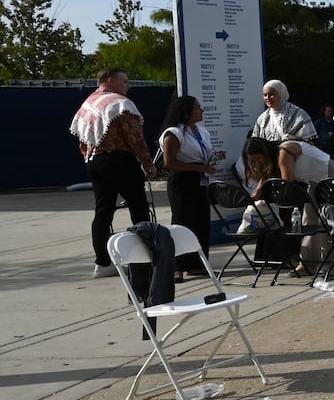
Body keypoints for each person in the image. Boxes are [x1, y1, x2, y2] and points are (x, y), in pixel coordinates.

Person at [70, 68, 156, 278]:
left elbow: (82, 137)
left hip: (96, 160)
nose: (129, 86)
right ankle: (145, 257)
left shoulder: (90, 103)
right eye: (125, 81)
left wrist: (90, 157)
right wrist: (149, 163)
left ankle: (103, 262)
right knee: (139, 208)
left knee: (103, 212)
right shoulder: (120, 104)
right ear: (111, 81)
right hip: (119, 160)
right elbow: (135, 137)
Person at [158, 95, 222, 279]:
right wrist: (198, 167)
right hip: (182, 181)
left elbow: (202, 153)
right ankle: (176, 266)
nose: (202, 111)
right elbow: (169, 161)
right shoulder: (174, 132)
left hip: (200, 179)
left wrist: (214, 157)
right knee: (183, 222)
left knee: (200, 222)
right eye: (197, 108)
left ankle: (197, 265)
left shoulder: (201, 131)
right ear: (186, 112)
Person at [250, 80, 316, 143]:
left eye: (271, 94)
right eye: (265, 95)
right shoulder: (262, 119)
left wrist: (294, 140)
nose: (267, 98)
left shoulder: (297, 114)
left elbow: (311, 141)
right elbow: (255, 142)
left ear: (281, 94)